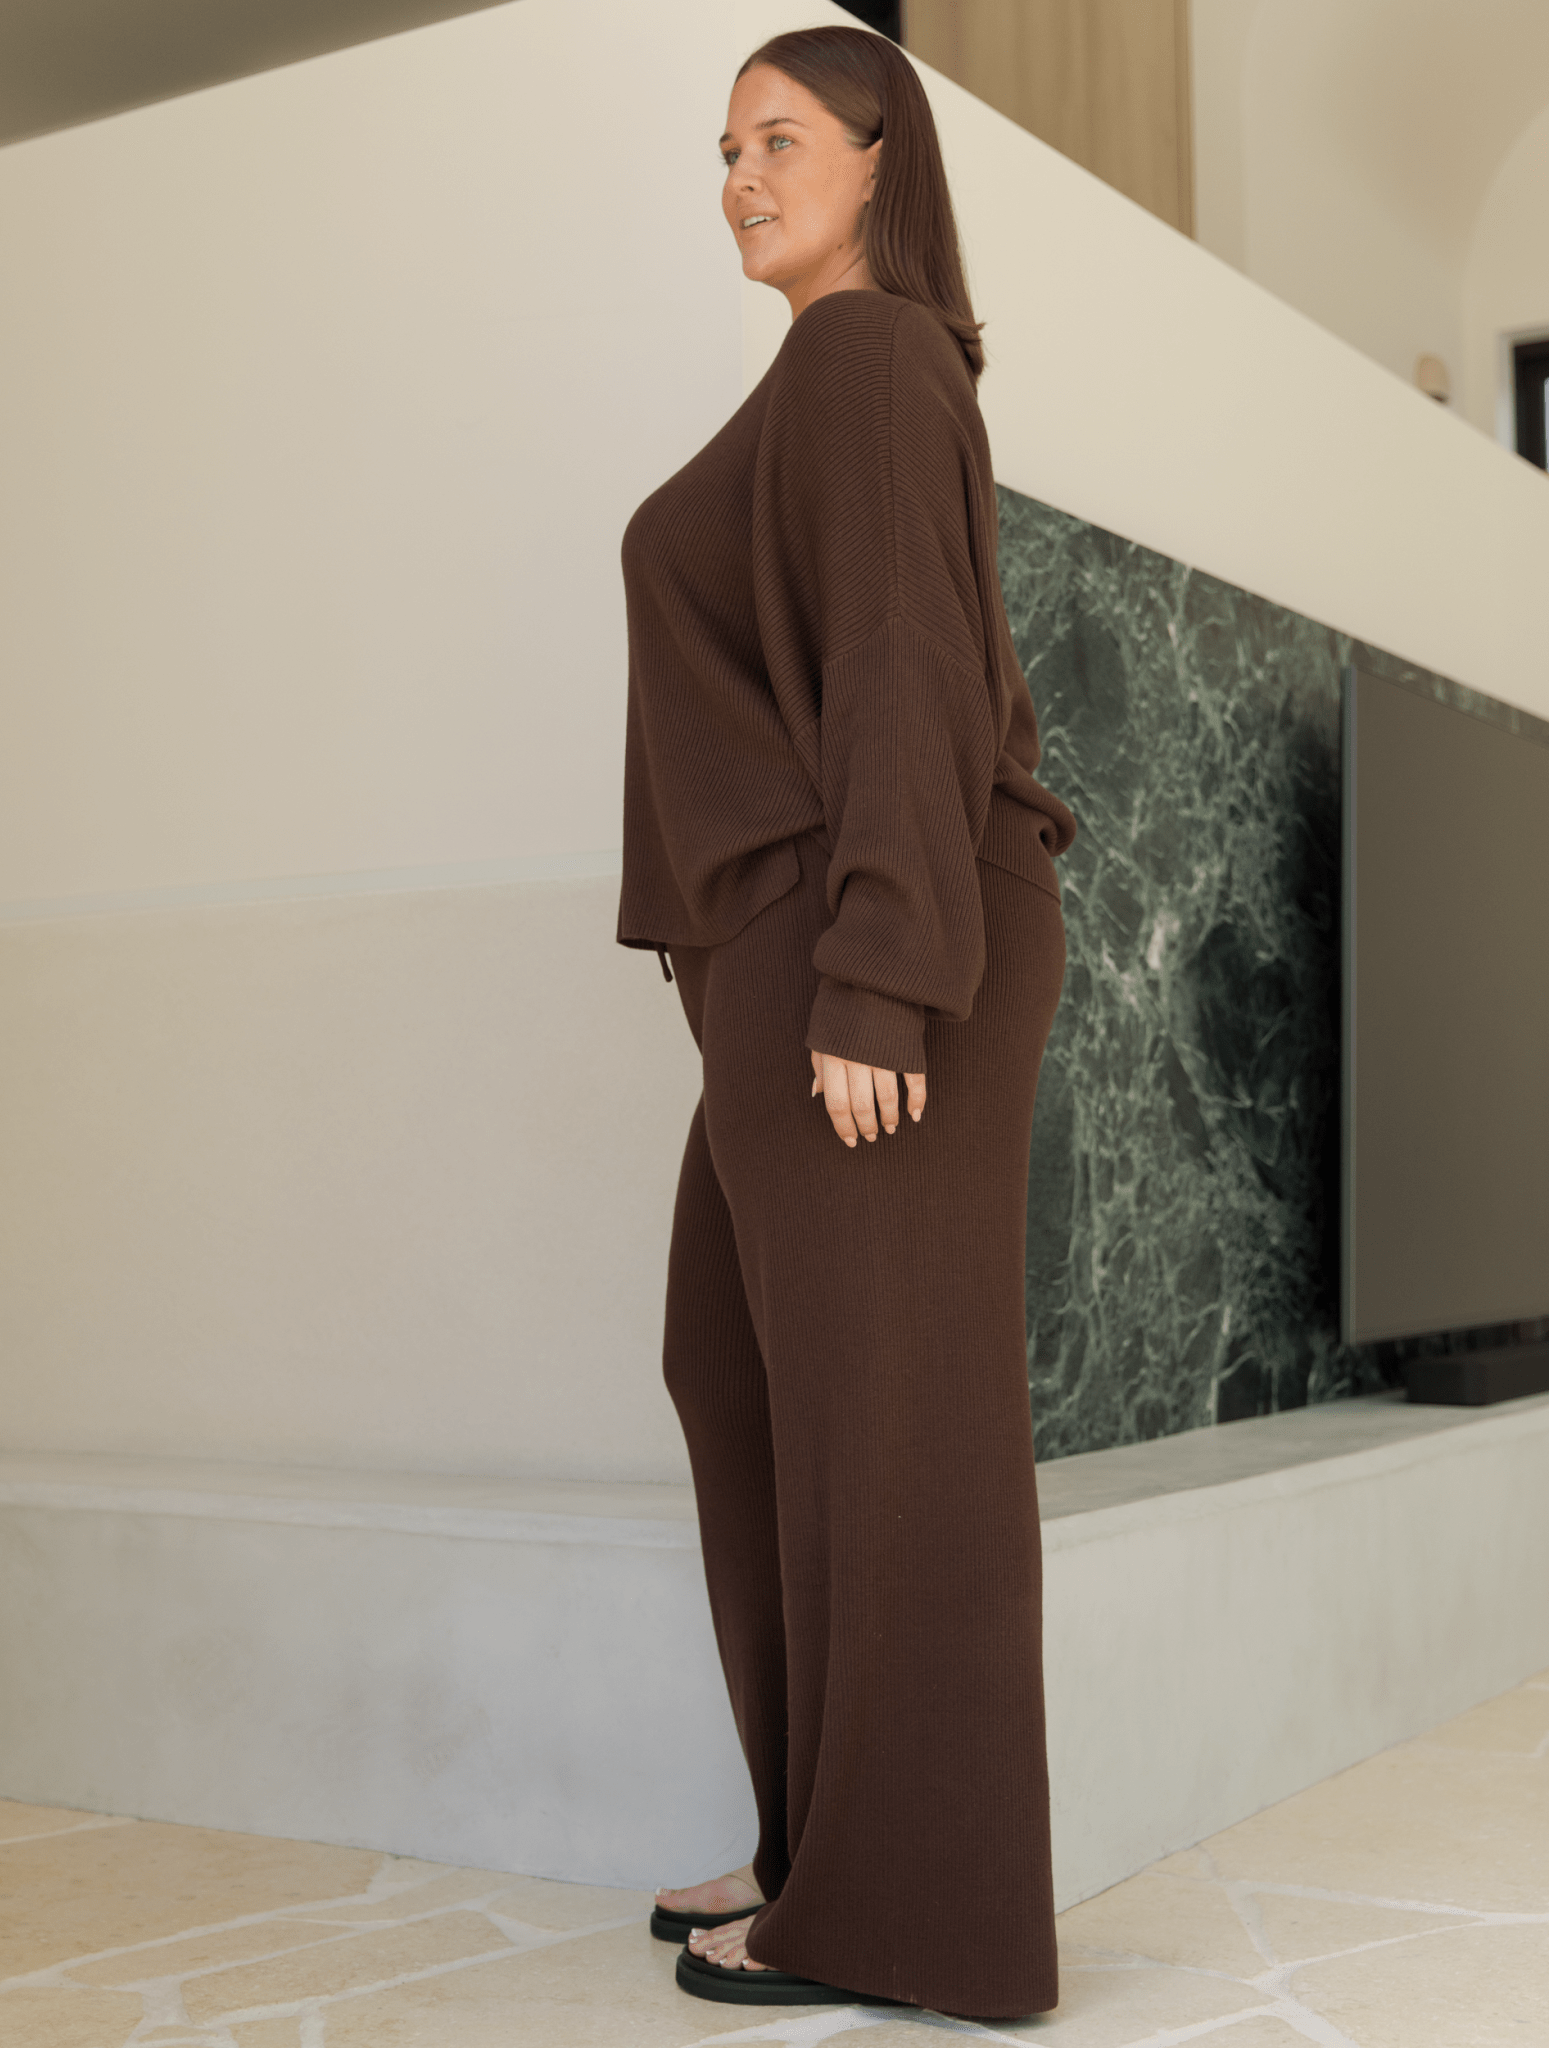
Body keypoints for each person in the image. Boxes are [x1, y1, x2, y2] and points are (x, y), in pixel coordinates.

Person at [616, 23, 1077, 2024]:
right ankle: (825, 1834)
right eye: (723, 147)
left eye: (779, 138)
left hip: (871, 935)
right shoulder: (822, 375)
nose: (738, 175)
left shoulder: (869, 358)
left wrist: (879, 969)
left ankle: (901, 1909)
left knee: (892, 1417)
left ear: (883, 158)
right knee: (739, 1367)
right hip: (799, 938)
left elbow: (905, 659)